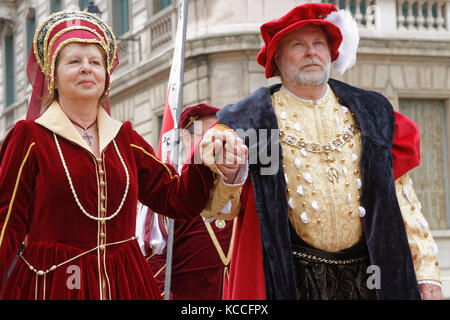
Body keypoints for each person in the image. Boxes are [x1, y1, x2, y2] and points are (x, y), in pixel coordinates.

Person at [199, 3, 443, 300]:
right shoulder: (252, 122)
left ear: (331, 53)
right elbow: (220, 210)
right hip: (293, 280)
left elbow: (402, 199)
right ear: (277, 58)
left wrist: (427, 271)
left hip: (369, 277)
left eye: (318, 44)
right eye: (298, 45)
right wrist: (230, 172)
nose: (311, 52)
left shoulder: (371, 112)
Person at [0, 10, 246, 300]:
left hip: (124, 283)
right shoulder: (29, 138)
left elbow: (176, 199)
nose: (86, 68)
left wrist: (205, 157)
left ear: (106, 75)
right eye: (74, 62)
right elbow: (5, 226)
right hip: (56, 284)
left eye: (95, 62)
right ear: (52, 75)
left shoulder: (125, 138)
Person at [146, 103, 243, 299]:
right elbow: (154, 257)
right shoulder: (171, 188)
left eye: (220, 138)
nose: (214, 145)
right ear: (186, 139)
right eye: (206, 137)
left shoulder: (240, 184)